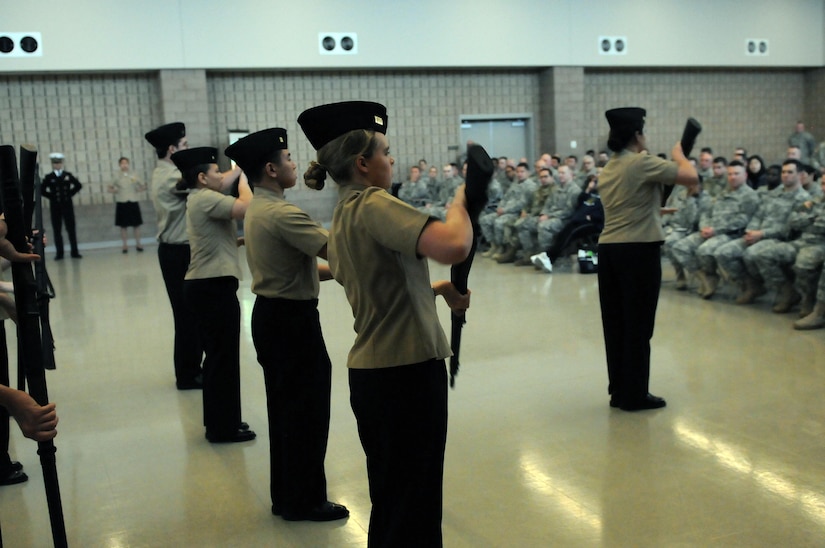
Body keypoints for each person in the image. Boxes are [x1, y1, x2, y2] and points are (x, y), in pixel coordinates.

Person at [298, 101, 472, 547]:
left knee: (398, 503)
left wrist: (436, 290)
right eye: (386, 151)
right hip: (406, 376)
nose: (392, 160)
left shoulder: (344, 213)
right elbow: (453, 245)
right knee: (413, 506)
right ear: (363, 163)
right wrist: (463, 202)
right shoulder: (374, 203)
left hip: (380, 375)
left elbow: (379, 286)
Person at [225, 128, 348, 521]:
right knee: (307, 413)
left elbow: (310, 266)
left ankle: (288, 497)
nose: (295, 163)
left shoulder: (261, 209)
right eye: (289, 158)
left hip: (272, 315)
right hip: (292, 323)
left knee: (287, 413)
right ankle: (306, 501)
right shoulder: (283, 213)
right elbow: (340, 250)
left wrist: (343, 273)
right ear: (271, 169)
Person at [597, 107, 697, 412]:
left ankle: (619, 390)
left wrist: (656, 210)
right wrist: (679, 153)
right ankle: (635, 395)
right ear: (637, 135)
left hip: (610, 251)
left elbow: (633, 204)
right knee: (639, 327)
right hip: (638, 252)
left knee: (616, 325)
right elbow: (691, 177)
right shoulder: (642, 162)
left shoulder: (610, 167)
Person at [171, 147, 255, 444]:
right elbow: (246, 208)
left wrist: (239, 241)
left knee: (220, 359)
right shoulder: (206, 198)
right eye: (217, 171)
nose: (222, 175)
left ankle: (224, 421)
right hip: (211, 287)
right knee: (222, 359)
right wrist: (245, 181)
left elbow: (217, 235)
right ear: (202, 178)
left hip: (209, 285)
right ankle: (223, 428)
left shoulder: (200, 197)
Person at [145, 123, 203, 390]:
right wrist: (239, 168)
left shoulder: (166, 172)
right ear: (172, 149)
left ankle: (190, 370)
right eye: (185, 145)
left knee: (189, 314)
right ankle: (188, 374)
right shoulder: (170, 177)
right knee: (186, 314)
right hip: (177, 251)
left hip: (176, 250)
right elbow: (204, 183)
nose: (187, 149)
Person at [41, 152, 83, 260]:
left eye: (59, 163)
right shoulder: (49, 177)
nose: (57, 165)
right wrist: (52, 197)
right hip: (55, 207)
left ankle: (75, 252)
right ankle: (60, 253)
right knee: (57, 230)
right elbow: (42, 190)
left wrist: (70, 194)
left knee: (71, 229)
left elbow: (78, 185)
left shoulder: (67, 175)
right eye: (55, 163)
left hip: (67, 206)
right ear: (52, 164)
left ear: (61, 163)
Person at [108, 156, 146, 253]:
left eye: (126, 163)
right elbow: (109, 188)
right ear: (119, 165)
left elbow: (143, 185)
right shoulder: (116, 175)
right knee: (123, 226)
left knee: (136, 225)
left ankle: (138, 244)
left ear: (128, 164)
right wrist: (115, 191)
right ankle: (125, 245)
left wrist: (139, 190)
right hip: (122, 202)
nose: (124, 165)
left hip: (133, 201)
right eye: (122, 163)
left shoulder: (134, 174)